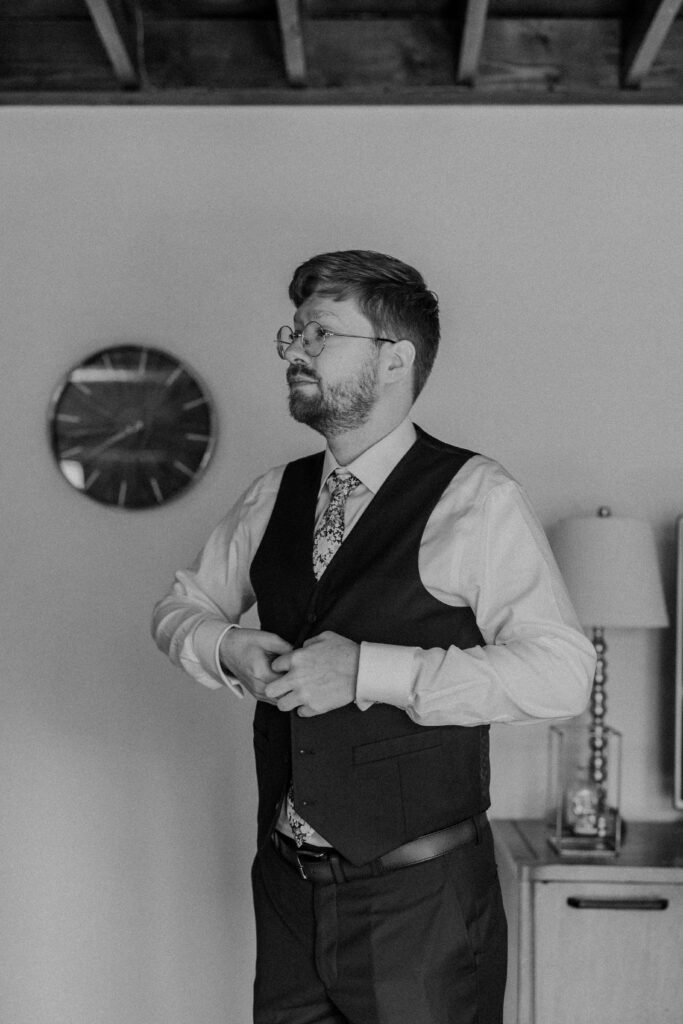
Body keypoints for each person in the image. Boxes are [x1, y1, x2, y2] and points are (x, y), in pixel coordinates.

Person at [152, 249, 595, 1024]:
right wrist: (227, 648)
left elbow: (560, 673)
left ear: (394, 359)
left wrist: (368, 671)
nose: (294, 351)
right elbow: (178, 609)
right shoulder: (272, 494)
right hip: (286, 890)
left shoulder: (475, 496)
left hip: (419, 905)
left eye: (319, 333)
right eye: (291, 333)